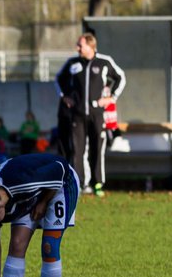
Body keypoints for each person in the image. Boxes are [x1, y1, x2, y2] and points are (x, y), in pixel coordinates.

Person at [53, 33, 125, 196]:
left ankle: (97, 183)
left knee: (97, 148)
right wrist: (64, 97)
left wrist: (111, 98)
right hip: (77, 114)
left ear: (90, 46)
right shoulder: (73, 63)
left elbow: (121, 78)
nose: (77, 48)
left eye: (80, 45)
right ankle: (79, 183)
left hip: (97, 114)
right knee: (77, 150)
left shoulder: (104, 62)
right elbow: (58, 79)